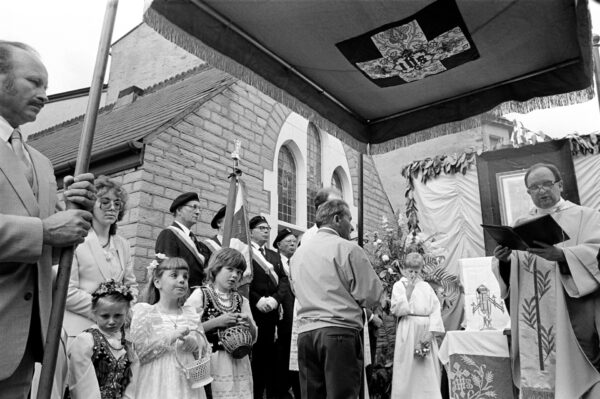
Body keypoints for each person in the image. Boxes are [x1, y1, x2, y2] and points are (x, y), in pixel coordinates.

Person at [0, 41, 96, 398]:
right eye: (33, 82)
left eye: (47, 87)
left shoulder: (40, 162)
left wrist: (70, 216)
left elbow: (46, 250)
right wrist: (44, 230)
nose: (44, 95)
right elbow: (41, 234)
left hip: (25, 348)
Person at [492, 162, 600, 398]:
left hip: (570, 315)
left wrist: (563, 256)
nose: (542, 191)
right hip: (535, 320)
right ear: (528, 192)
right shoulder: (521, 225)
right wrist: (505, 260)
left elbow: (597, 253)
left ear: (560, 185)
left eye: (547, 184)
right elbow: (514, 272)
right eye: (534, 187)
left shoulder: (587, 216)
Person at [290, 199, 383, 398]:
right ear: (337, 218)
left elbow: (296, 290)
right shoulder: (347, 248)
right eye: (350, 219)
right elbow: (371, 294)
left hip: (306, 334)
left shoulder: (297, 254)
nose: (352, 225)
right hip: (338, 333)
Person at [65, 175, 138, 337]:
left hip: (115, 333)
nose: (112, 207)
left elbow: (131, 286)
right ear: (90, 205)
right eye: (105, 202)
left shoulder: (123, 245)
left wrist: (124, 312)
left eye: (117, 203)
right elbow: (67, 292)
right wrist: (105, 312)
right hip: (80, 331)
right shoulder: (76, 240)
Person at [129, 256, 207, 399]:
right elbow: (139, 353)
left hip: (187, 384)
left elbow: (204, 349)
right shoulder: (145, 312)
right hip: (155, 382)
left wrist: (195, 345)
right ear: (157, 282)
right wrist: (171, 337)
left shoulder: (190, 313)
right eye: (174, 275)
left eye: (185, 276)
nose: (182, 280)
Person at [186, 248, 257, 398]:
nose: (234, 275)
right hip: (211, 361)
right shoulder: (201, 294)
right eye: (229, 269)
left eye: (238, 272)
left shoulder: (241, 300)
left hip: (239, 361)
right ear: (216, 269)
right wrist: (217, 322)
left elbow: (254, 337)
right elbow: (187, 330)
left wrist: (249, 323)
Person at [67, 279, 135, 399]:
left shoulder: (127, 344)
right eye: (105, 316)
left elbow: (133, 381)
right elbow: (81, 384)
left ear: (126, 313)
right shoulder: (86, 341)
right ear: (94, 313)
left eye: (118, 315)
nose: (112, 321)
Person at [248, 215, 291, 399]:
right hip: (254, 314)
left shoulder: (274, 255)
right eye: (261, 228)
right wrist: (257, 300)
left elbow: (283, 280)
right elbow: (242, 281)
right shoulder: (245, 251)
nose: (266, 231)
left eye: (267, 228)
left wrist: (275, 300)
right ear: (251, 232)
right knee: (255, 365)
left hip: (273, 316)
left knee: (272, 364)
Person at [390, 252, 444, 399]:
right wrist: (407, 294)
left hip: (425, 331)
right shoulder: (399, 285)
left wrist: (431, 332)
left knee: (426, 370)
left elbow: (435, 310)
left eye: (416, 271)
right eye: (410, 271)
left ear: (421, 270)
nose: (413, 274)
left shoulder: (426, 287)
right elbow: (396, 310)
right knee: (407, 367)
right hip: (408, 329)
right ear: (404, 269)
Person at [155, 192, 212, 288]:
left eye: (199, 209)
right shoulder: (169, 234)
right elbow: (169, 271)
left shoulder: (194, 240)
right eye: (193, 207)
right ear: (179, 210)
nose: (198, 212)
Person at [272, 228, 299, 398]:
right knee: (280, 364)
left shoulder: (298, 263)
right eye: (288, 241)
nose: (292, 243)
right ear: (278, 244)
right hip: (281, 322)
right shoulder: (273, 262)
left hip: (297, 320)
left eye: (294, 241)